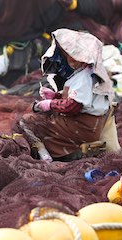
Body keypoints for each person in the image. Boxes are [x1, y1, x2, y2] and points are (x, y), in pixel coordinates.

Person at [16, 28, 114, 162]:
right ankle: (66, 153)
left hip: (82, 125)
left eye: (74, 54)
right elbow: (79, 98)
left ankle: (45, 156)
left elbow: (73, 106)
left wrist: (49, 104)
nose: (70, 58)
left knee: (28, 121)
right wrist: (55, 96)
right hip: (85, 125)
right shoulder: (85, 74)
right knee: (41, 119)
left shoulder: (85, 77)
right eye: (67, 54)